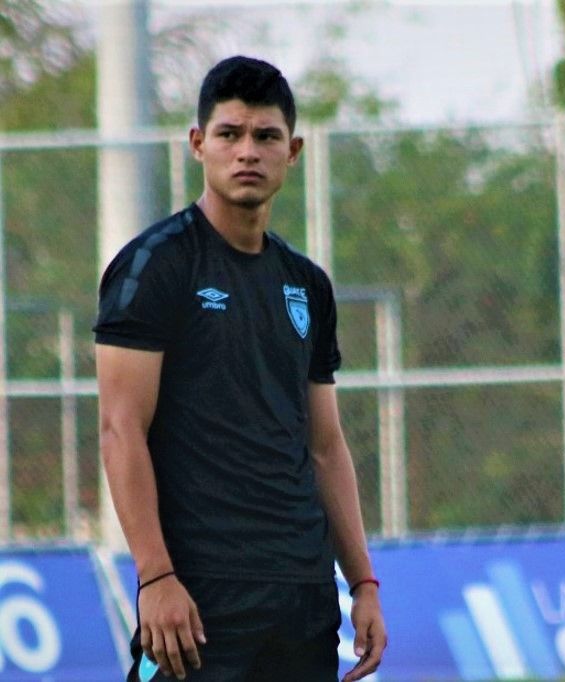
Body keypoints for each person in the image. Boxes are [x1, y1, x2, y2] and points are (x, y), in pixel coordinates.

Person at [94, 55, 386, 681]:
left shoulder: (306, 284)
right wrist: (156, 576)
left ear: (294, 150)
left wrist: (361, 580)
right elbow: (121, 429)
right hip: (197, 597)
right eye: (229, 134)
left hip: (301, 596)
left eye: (265, 136)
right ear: (199, 145)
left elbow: (326, 447)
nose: (246, 151)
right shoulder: (156, 266)